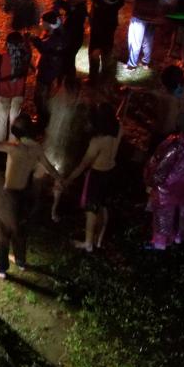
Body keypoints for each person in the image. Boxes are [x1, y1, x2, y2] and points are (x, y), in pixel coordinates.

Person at [0, 115, 65, 277]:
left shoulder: (14, 148)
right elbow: (50, 168)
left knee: (2, 231)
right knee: (20, 229)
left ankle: (1, 269)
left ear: (16, 131)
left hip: (9, 196)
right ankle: (21, 262)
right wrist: (60, 180)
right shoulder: (37, 148)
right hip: (25, 194)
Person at [64, 101, 125, 253]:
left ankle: (88, 243)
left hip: (97, 176)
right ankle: (99, 240)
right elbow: (117, 117)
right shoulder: (119, 129)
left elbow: (84, 164)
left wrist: (68, 179)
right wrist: (124, 101)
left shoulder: (97, 142)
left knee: (91, 209)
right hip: (111, 172)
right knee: (104, 206)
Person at [144, 111, 184, 251]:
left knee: (163, 214)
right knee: (181, 211)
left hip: (167, 186)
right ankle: (178, 236)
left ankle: (159, 243)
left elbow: (163, 165)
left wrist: (153, 181)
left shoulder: (178, 144)